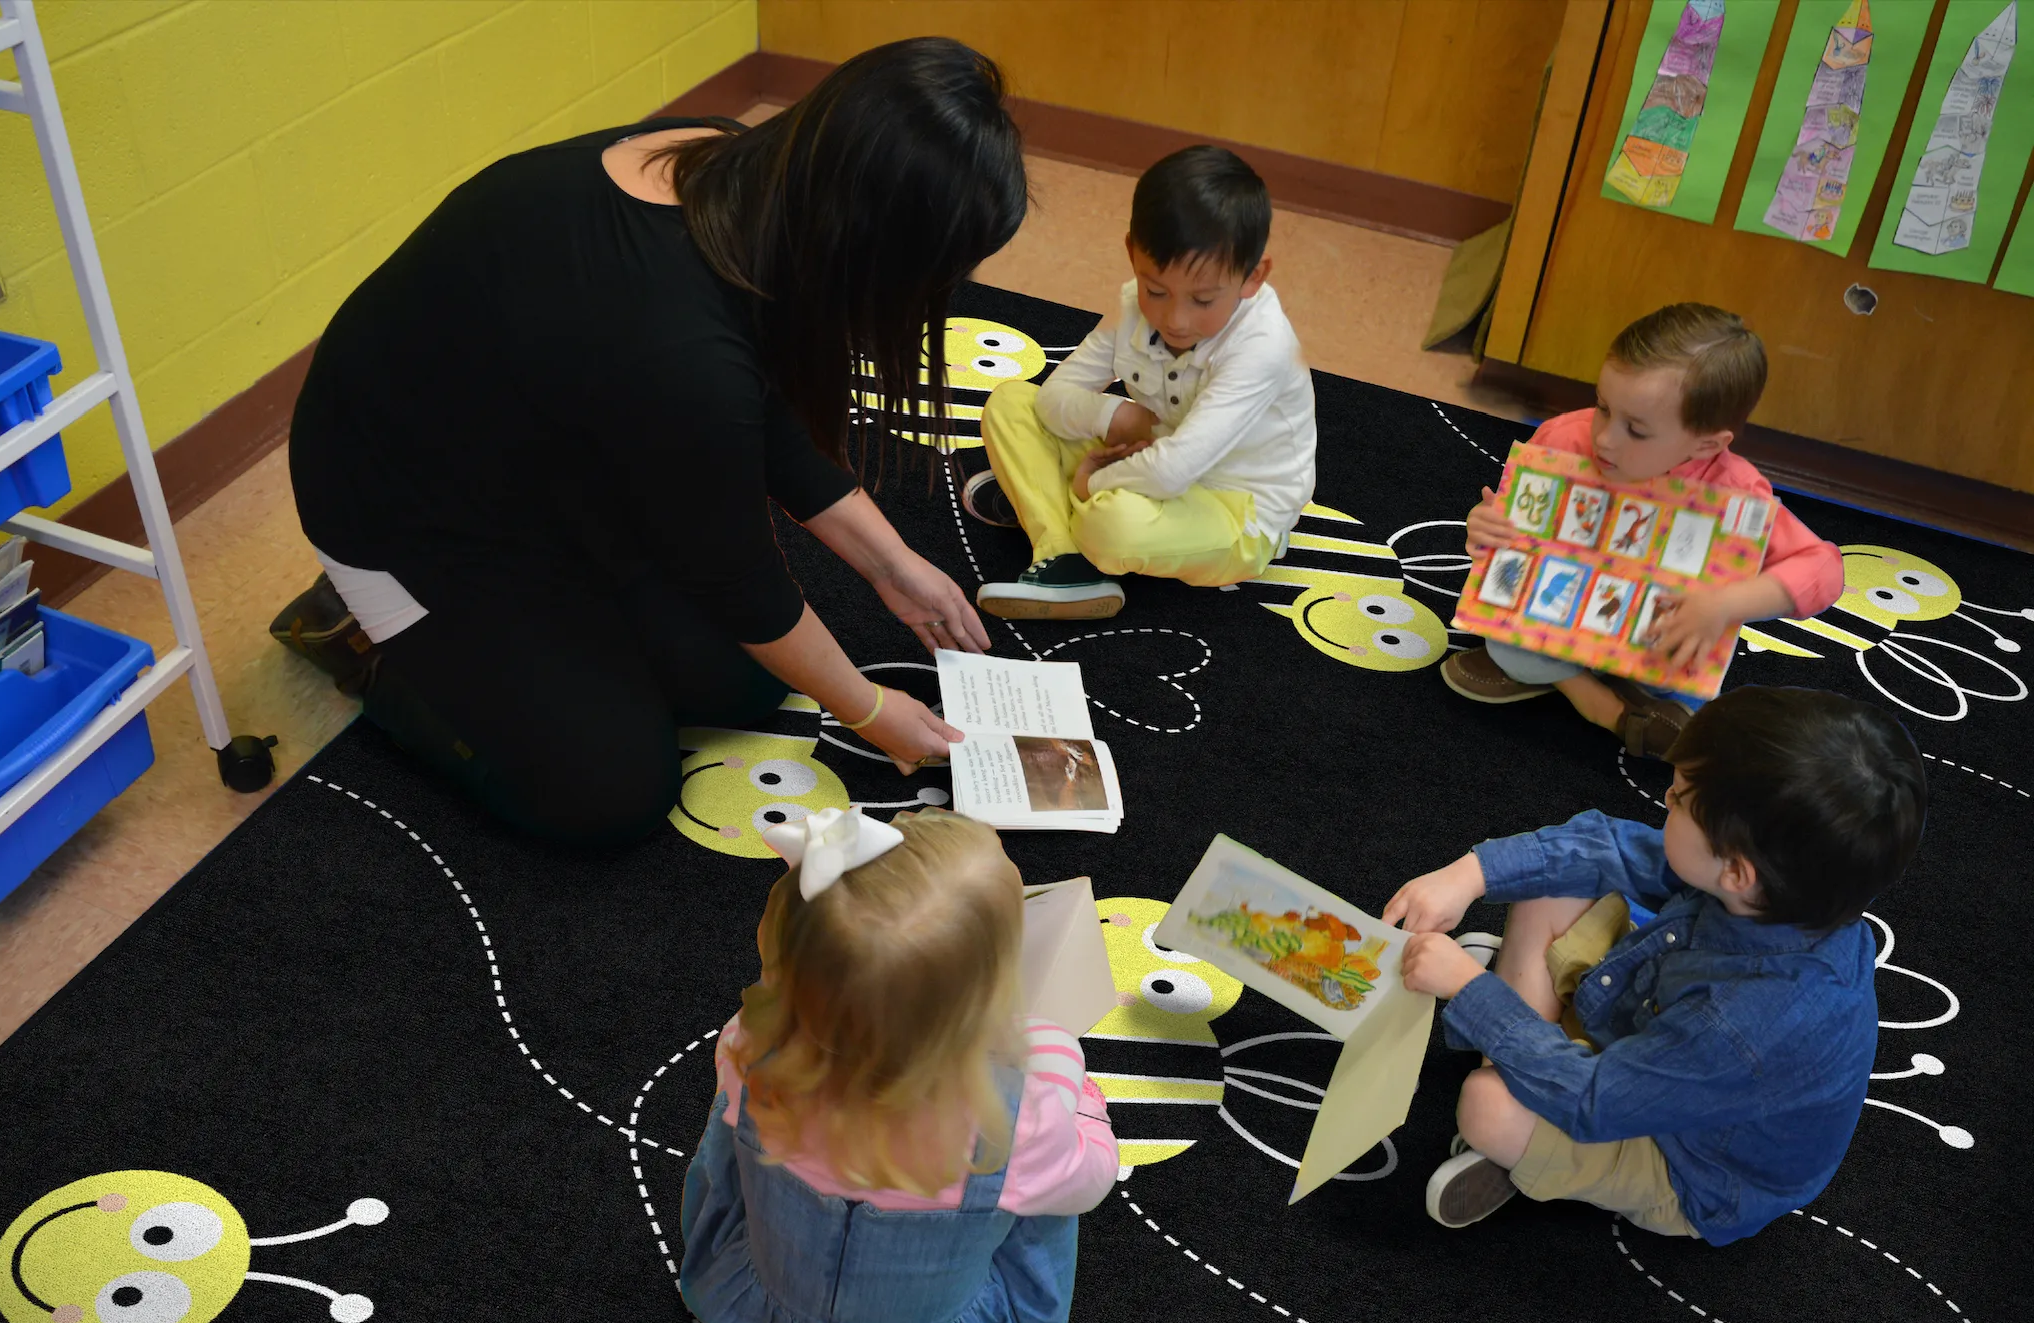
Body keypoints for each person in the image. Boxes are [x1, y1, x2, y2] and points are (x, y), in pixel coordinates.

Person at [278, 40, 1025, 846]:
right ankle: (362, 638)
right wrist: (872, 712)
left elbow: (761, 405)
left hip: (549, 456)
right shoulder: (676, 350)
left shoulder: (727, 166)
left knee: (740, 687)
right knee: (605, 791)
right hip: (402, 516)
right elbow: (739, 577)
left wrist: (892, 565)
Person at [1381, 687, 1927, 1244]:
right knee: (1554, 884)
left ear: (1736, 872)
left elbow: (1596, 1100)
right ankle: (1523, 1052)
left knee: (1486, 1106)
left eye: (1682, 799)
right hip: (1655, 1039)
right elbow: (1609, 848)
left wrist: (1472, 991)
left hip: (1688, 1163)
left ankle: (1518, 1127)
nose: (1666, 795)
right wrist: (1469, 874)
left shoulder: (1742, 1022)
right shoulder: (1779, 892)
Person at [679, 807, 1117, 1323]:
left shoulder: (749, 1050)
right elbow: (1093, 1177)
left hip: (760, 1318)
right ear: (985, 1001)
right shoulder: (1013, 1123)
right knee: (1046, 1190)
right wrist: (1061, 1060)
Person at [1442, 303, 1844, 758]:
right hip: (1561, 611)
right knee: (1503, 637)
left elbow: (1825, 569)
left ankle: (1592, 686)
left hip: (1653, 640)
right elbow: (1514, 542)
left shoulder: (1736, 494)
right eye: (1602, 406)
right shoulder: (1564, 440)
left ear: (1706, 443)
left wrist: (1723, 604)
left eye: (1636, 429)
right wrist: (1485, 530)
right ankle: (1596, 703)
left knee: (1684, 677)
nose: (1605, 438)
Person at [973, 145, 1315, 620]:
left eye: (1203, 299)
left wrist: (1094, 482)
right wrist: (1114, 415)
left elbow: (1171, 472)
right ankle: (1064, 553)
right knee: (1011, 400)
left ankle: (1056, 513)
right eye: (1157, 290)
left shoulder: (1263, 346)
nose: (1175, 319)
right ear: (1133, 253)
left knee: (1111, 526)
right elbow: (1054, 396)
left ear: (1253, 276)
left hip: (1237, 508)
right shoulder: (1134, 303)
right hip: (1153, 454)